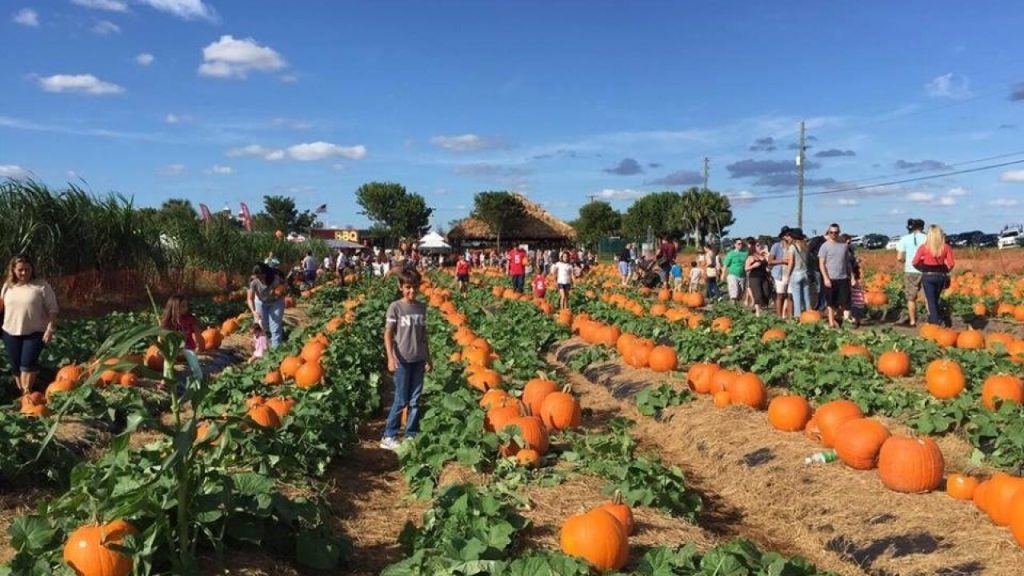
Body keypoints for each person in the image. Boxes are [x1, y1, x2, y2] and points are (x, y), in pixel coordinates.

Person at [380, 267, 432, 451]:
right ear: (400, 286)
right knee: (401, 399)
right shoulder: (396, 307)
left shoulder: (421, 307)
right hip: (402, 360)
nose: (412, 291)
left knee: (415, 400)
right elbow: (388, 334)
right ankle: (389, 435)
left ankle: (411, 434)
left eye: (415, 287)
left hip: (418, 359)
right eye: (408, 287)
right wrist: (390, 357)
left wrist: (428, 358)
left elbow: (423, 335)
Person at [0, 255, 58, 396]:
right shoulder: (8, 286)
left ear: (32, 269)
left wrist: (50, 329)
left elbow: (53, 309)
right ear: (13, 270)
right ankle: (22, 394)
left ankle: (27, 394)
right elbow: (1, 306)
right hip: (10, 332)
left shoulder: (41, 285)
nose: (24, 273)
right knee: (16, 367)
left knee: (27, 364)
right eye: (20, 270)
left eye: (27, 269)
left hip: (34, 332)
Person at [912, 225, 955, 326]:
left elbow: (914, 262)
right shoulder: (946, 247)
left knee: (931, 300)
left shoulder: (924, 247)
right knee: (935, 299)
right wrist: (945, 271)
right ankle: (934, 320)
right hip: (940, 276)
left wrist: (922, 268)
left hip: (928, 276)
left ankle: (935, 323)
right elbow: (951, 264)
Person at [817, 223, 856, 328]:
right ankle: (831, 322)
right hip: (830, 278)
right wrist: (825, 278)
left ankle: (842, 318)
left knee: (845, 301)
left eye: (836, 232)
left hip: (843, 277)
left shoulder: (843, 245)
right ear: (828, 232)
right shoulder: (824, 246)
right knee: (831, 302)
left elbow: (847, 263)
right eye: (831, 232)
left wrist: (852, 277)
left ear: (839, 232)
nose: (834, 234)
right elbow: (821, 264)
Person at [896, 218, 927, 327]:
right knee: (928, 296)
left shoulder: (904, 239)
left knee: (911, 297)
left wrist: (906, 262)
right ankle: (931, 319)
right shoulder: (928, 238)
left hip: (910, 270)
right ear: (923, 227)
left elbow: (899, 257)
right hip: (926, 270)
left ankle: (913, 321)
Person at [247, 264, 286, 348]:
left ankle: (276, 352)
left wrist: (278, 291)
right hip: (261, 302)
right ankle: (260, 349)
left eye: (260, 276)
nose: (259, 279)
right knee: (260, 325)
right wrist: (254, 312)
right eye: (257, 276)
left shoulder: (275, 279)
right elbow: (250, 298)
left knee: (275, 327)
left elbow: (283, 287)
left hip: (276, 302)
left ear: (265, 274)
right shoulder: (253, 281)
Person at [784, 229, 811, 318]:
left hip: (796, 273)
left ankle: (798, 317)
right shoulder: (805, 246)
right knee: (807, 298)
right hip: (805, 273)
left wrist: (787, 275)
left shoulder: (793, 247)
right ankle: (809, 316)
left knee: (797, 299)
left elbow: (791, 262)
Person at [744, 241, 772, 316]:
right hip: (754, 277)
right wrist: (753, 266)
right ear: (754, 248)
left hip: (764, 276)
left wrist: (767, 254)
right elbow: (746, 268)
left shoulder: (763, 256)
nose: (759, 247)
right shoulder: (750, 257)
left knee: (767, 293)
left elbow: (769, 264)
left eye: (760, 245)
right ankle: (758, 312)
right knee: (758, 294)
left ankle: (762, 307)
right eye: (757, 245)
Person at [770, 227, 792, 318]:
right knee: (780, 295)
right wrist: (783, 261)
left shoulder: (793, 246)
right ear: (783, 236)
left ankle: (790, 316)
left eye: (789, 234)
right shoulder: (776, 246)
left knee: (790, 295)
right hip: (780, 273)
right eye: (786, 235)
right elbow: (770, 261)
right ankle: (779, 316)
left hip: (790, 273)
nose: (788, 236)